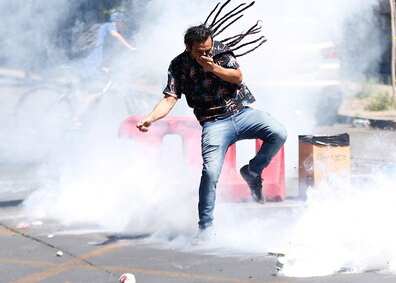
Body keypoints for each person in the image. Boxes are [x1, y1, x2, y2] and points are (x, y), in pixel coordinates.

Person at [136, 24, 287, 235]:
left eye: (208, 48)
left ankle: (253, 172)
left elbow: (238, 77)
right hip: (214, 123)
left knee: (278, 133)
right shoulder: (178, 65)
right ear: (188, 47)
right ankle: (205, 227)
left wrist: (213, 67)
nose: (205, 53)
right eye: (200, 51)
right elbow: (170, 98)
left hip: (242, 113)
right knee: (210, 172)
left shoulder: (220, 51)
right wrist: (150, 118)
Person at [74, 12, 137, 126]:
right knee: (95, 93)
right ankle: (76, 118)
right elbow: (115, 34)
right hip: (91, 66)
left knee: (98, 96)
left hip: (97, 66)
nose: (125, 25)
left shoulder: (106, 36)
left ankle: (86, 124)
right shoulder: (108, 26)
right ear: (117, 22)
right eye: (123, 22)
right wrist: (130, 47)